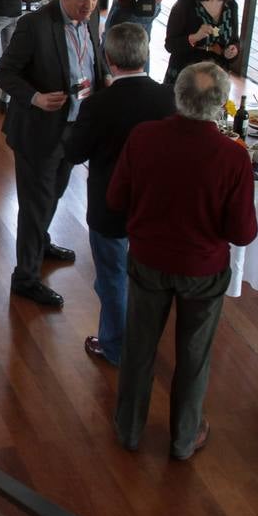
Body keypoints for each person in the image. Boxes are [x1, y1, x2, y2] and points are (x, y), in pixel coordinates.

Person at [107, 62, 257, 460]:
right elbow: (243, 233)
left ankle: (129, 430)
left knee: (139, 348)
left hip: (148, 260)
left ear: (178, 96)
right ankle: (184, 439)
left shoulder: (143, 137)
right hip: (202, 270)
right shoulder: (234, 157)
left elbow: (116, 198)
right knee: (194, 356)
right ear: (220, 106)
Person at [0, 0, 107, 309]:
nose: (89, 5)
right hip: (38, 132)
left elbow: (90, 66)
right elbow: (4, 73)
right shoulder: (35, 25)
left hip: (72, 129)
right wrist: (36, 98)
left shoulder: (88, 21)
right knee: (34, 205)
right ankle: (25, 278)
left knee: (54, 192)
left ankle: (41, 243)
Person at [63, 23, 175, 366]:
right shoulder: (169, 98)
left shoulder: (98, 105)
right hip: (156, 207)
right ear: (146, 54)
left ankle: (115, 347)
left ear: (109, 59)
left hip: (110, 206)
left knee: (112, 279)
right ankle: (143, 341)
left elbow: (75, 153)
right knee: (149, 280)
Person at [163, 0, 241, 86]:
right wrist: (195, 37)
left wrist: (233, 50)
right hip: (186, 75)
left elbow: (234, 40)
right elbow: (170, 45)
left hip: (217, 77)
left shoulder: (231, 6)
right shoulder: (184, 5)